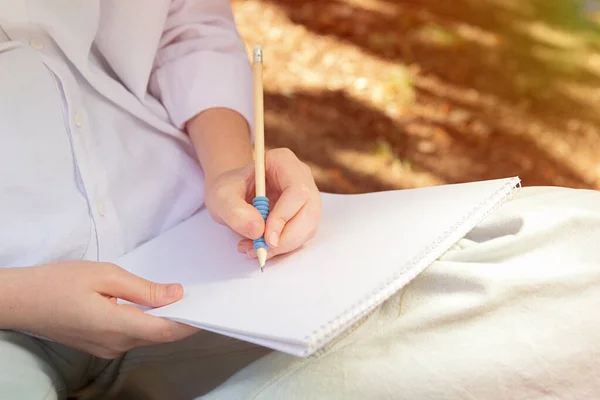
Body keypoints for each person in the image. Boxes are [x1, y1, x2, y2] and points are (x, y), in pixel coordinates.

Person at [2, 2, 600, 400]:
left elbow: (185, 27)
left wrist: (231, 169)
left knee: (579, 245)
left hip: (192, 252)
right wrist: (18, 299)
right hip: (14, 309)